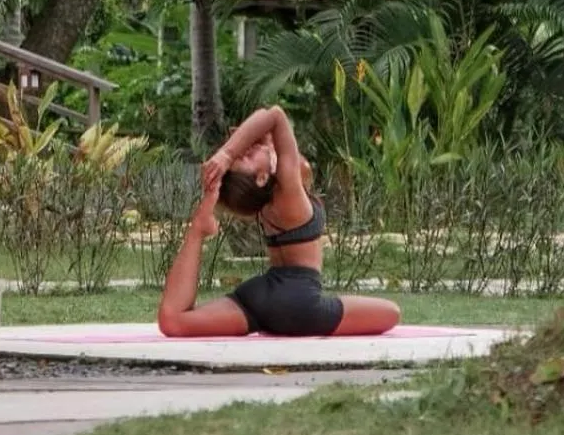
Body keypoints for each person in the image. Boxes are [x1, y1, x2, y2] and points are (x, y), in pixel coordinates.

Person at [156, 103, 401, 338]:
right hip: (302, 305)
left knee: (174, 320)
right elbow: (275, 115)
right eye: (246, 157)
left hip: (260, 297)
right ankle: (201, 226)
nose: (247, 149)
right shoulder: (286, 191)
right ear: (261, 178)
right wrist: (226, 154)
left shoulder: (263, 201)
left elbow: (277, 143)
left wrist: (247, 148)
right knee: (392, 312)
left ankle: (199, 228)